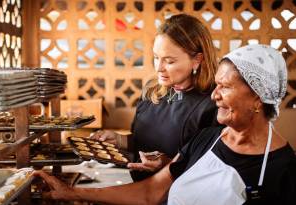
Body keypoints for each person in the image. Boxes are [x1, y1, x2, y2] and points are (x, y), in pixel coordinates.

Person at [35, 44, 296, 205]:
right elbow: (150, 193)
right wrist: (71, 193)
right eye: (216, 84)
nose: (214, 95)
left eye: (225, 87)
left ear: (258, 99)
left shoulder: (285, 171)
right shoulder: (207, 139)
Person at [92, 13, 219, 181]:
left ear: (197, 60)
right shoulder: (152, 91)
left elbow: (210, 168)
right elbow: (142, 143)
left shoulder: (214, 103)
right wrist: (120, 140)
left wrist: (167, 164)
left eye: (169, 61)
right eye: (156, 57)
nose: (159, 68)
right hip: (139, 188)